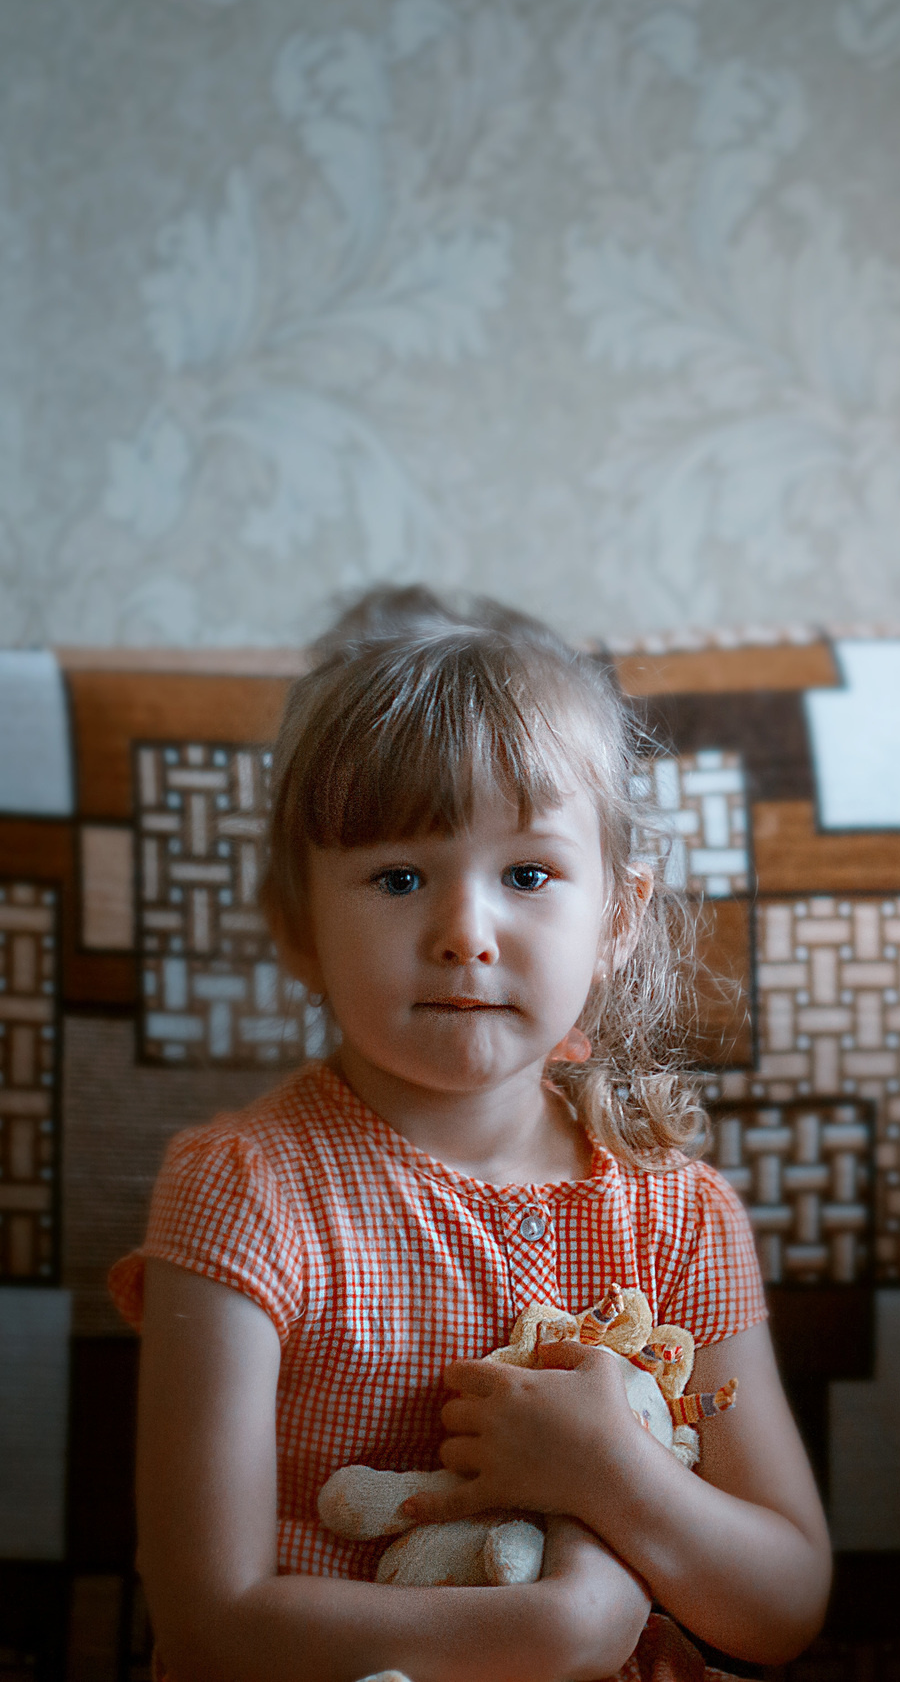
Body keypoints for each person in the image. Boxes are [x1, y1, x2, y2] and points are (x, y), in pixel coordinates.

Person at [118, 590, 832, 1682]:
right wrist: (557, 1632)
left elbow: (783, 1604)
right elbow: (208, 1622)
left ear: (617, 918)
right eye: (400, 877)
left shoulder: (679, 1215)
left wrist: (614, 1478)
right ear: (298, 928)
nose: (464, 933)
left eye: (528, 875)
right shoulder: (244, 1191)